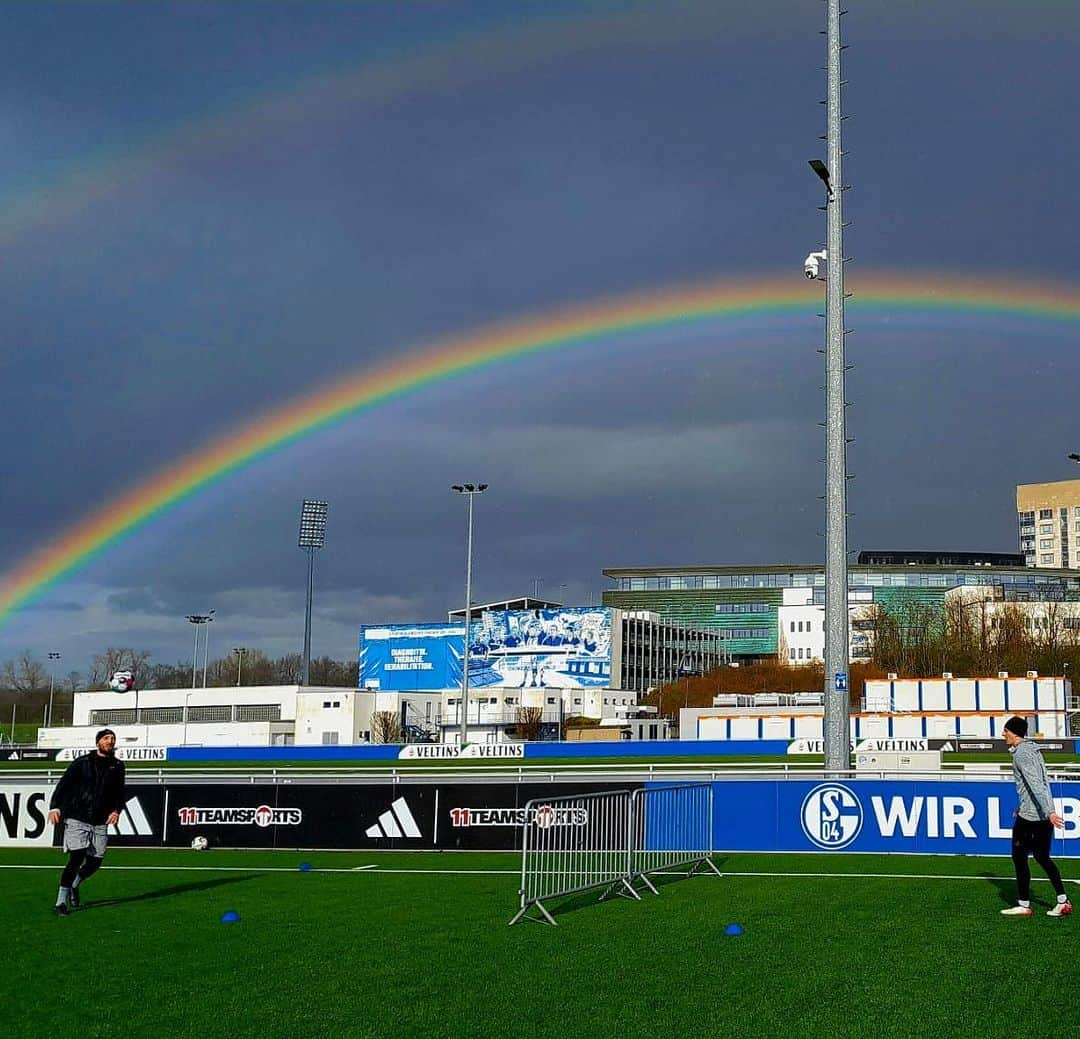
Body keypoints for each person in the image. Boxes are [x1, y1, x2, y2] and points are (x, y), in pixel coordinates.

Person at [47, 728, 126, 916]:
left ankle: (76, 883)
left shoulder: (117, 765)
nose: (110, 741)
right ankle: (60, 903)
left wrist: (116, 810)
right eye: (106, 738)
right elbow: (64, 784)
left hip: (100, 819)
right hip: (78, 816)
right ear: (98, 742)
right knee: (76, 857)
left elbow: (119, 791)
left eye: (113, 739)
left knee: (95, 861)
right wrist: (55, 806)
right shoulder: (82, 763)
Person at [999, 716, 1072, 917]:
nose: (1003, 734)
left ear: (1013, 732)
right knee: (1042, 857)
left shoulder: (1021, 754)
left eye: (1005, 731)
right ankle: (1062, 901)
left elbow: (1035, 784)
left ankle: (1024, 905)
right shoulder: (1032, 749)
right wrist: (1030, 807)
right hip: (1036, 812)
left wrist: (1049, 811)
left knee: (1019, 857)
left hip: (1032, 817)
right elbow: (1038, 783)